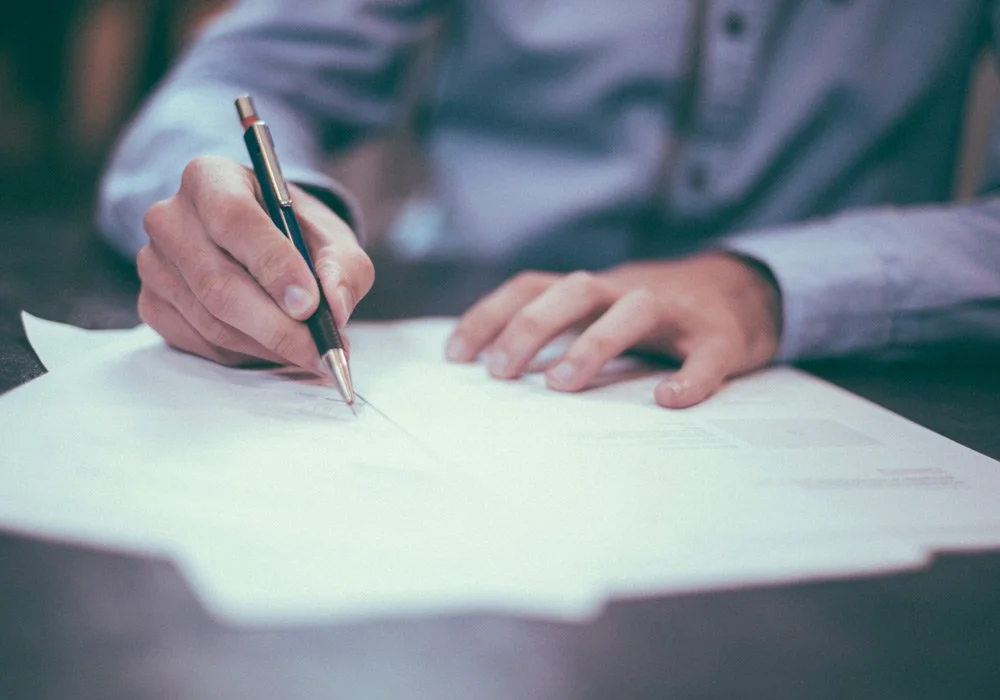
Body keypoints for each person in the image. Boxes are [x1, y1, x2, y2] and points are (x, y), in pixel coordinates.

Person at [98, 1, 1000, 408]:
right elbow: (229, 83)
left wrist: (764, 286)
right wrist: (243, 215)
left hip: (856, 377)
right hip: (461, 338)